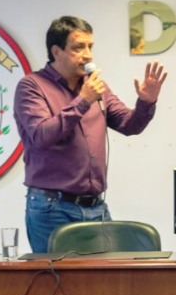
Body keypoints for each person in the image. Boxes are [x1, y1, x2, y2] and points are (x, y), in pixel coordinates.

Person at [13, 16, 167, 253]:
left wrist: (146, 102)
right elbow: (42, 136)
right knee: (56, 286)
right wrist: (83, 100)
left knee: (101, 285)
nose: (87, 55)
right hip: (52, 208)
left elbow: (129, 125)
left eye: (90, 47)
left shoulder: (96, 87)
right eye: (78, 47)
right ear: (56, 51)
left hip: (96, 208)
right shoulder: (32, 87)